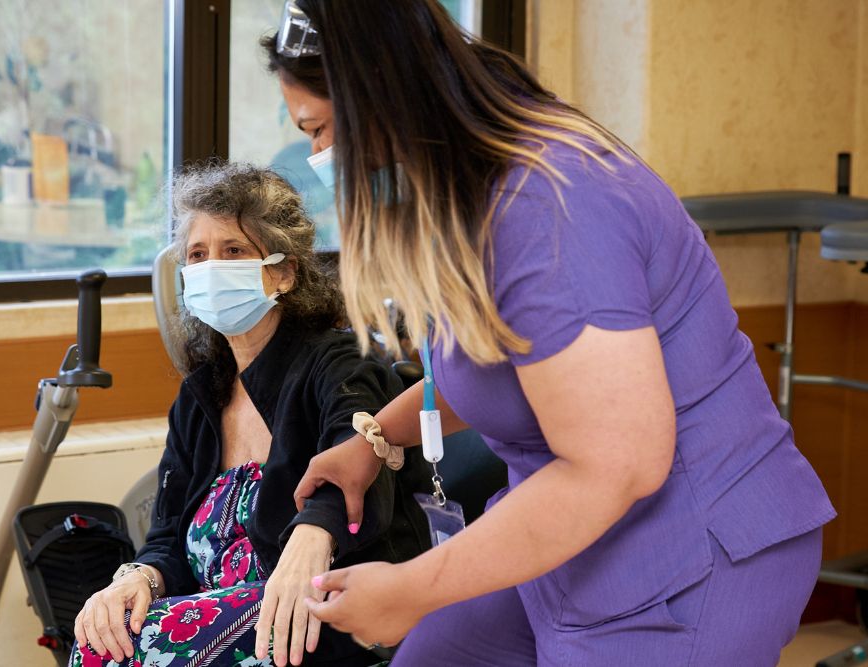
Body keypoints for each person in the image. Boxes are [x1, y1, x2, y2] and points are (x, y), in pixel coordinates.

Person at [264, 2, 837, 665]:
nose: (317, 157)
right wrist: (377, 436)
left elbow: (616, 463)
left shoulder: (547, 208)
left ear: (382, 97)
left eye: (321, 130)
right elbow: (509, 362)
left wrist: (410, 589)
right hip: (577, 544)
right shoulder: (470, 190)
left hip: (689, 555)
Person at [70, 162, 430, 667]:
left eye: (233, 250)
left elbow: (359, 455)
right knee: (105, 633)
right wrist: (136, 580)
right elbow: (168, 537)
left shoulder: (340, 363)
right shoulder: (200, 397)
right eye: (197, 255)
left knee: (112, 655)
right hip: (227, 619)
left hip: (328, 615)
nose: (211, 266)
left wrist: (313, 535)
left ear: (283, 272)